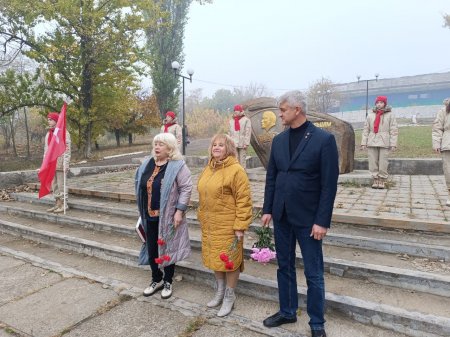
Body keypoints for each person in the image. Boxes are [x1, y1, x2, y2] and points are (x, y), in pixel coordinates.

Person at [261, 91, 339, 337]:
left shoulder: (323, 140)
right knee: (284, 266)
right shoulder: (279, 140)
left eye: (283, 110)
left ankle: (317, 322)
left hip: (309, 219)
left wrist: (322, 221)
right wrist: (267, 209)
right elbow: (272, 176)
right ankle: (287, 311)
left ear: (297, 110)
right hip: (282, 214)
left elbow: (329, 185)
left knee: (313, 272)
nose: (279, 114)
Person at [197, 134, 253, 317]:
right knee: (216, 258)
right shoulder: (209, 168)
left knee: (229, 261)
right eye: (214, 144)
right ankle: (220, 291)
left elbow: (244, 201)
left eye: (221, 145)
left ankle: (229, 296)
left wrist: (240, 226)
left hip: (228, 225)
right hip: (210, 224)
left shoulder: (236, 170)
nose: (216, 147)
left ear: (228, 148)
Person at [135, 132, 193, 299]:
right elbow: (139, 183)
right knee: (152, 248)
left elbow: (186, 188)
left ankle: (168, 281)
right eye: (156, 144)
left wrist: (179, 211)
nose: (157, 147)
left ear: (170, 148)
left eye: (161, 144)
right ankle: (156, 279)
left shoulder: (177, 165)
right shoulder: (147, 163)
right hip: (148, 215)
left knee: (168, 248)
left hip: (168, 216)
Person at [361, 96, 398, 189]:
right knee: (372, 160)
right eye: (377, 103)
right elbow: (366, 129)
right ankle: (375, 178)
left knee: (383, 161)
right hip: (372, 140)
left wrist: (393, 143)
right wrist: (363, 142)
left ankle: (382, 179)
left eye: (381, 102)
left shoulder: (390, 115)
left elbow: (394, 130)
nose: (379, 104)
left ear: (385, 103)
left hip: (384, 140)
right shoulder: (370, 115)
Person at [44, 112, 71, 213]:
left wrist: (66, 163)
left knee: (61, 184)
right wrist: (45, 163)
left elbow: (67, 149)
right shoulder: (48, 134)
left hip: (60, 162)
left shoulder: (64, 133)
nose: (48, 121)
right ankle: (58, 203)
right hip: (51, 163)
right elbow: (46, 150)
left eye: (50, 119)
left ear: (56, 120)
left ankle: (64, 204)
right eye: (48, 120)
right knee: (54, 185)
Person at [432, 98, 450, 206]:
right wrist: (436, 143)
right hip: (448, 144)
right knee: (449, 170)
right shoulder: (444, 110)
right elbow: (437, 128)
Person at [229, 104, 252, 169]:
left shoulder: (246, 120)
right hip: (234, 143)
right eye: (234, 110)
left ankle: (243, 175)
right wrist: (230, 142)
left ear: (240, 111)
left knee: (242, 160)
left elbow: (248, 132)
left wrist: (246, 143)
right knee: (235, 160)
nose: (235, 112)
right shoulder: (231, 121)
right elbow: (230, 133)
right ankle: (236, 174)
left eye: (237, 110)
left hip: (242, 143)